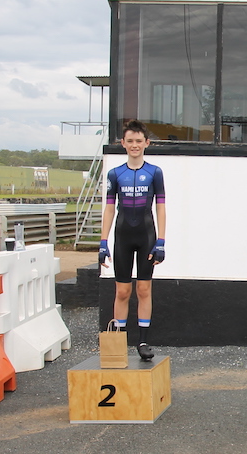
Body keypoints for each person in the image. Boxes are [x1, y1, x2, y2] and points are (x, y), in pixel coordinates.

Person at [99, 120, 166, 360]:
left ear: (146, 143)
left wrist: (161, 241)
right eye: (130, 141)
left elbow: (161, 207)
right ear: (123, 143)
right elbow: (109, 208)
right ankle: (119, 341)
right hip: (123, 236)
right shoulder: (115, 174)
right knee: (123, 291)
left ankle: (143, 341)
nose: (134, 145)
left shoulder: (155, 172)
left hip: (146, 235)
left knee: (144, 288)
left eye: (139, 141)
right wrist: (103, 242)